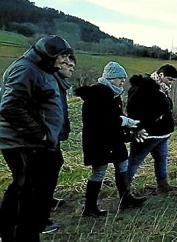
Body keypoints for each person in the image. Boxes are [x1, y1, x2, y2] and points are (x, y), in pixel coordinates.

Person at [0, 35, 73, 241]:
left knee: (29, 190)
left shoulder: (42, 70)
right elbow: (10, 106)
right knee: (28, 192)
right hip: (23, 142)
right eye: (61, 56)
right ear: (48, 54)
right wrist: (40, 133)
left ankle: (16, 231)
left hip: (33, 142)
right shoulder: (25, 69)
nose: (64, 61)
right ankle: (19, 234)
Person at [74, 61, 146, 217]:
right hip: (98, 141)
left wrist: (130, 127)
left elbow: (116, 118)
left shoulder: (114, 93)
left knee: (123, 165)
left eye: (123, 78)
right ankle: (90, 208)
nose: (123, 81)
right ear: (111, 77)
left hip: (114, 139)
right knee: (99, 172)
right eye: (120, 78)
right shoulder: (97, 95)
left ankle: (125, 199)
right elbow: (104, 121)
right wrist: (125, 121)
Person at [127, 64, 177, 193]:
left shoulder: (161, 88)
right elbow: (132, 109)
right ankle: (124, 189)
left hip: (162, 134)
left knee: (161, 158)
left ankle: (163, 185)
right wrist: (138, 128)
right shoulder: (144, 87)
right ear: (161, 75)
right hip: (147, 135)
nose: (171, 83)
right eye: (170, 79)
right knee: (134, 162)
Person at [43, 53, 77, 233]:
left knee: (55, 165)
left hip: (52, 135)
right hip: (44, 137)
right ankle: (40, 219)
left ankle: (46, 201)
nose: (72, 66)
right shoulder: (49, 81)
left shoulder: (59, 83)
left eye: (73, 64)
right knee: (41, 175)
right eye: (68, 63)